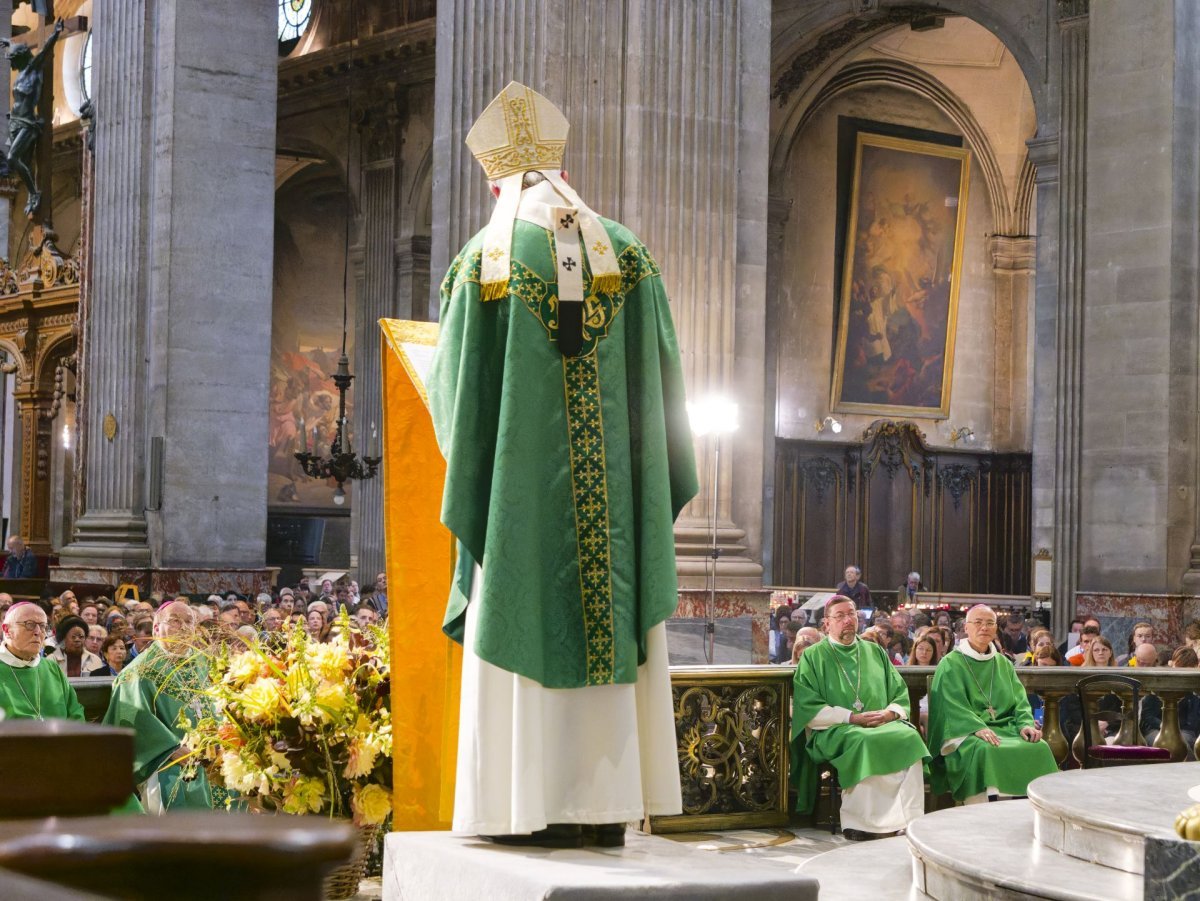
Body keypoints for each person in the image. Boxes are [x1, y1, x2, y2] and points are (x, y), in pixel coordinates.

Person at [427, 82, 697, 848]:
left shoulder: (487, 262)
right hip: (612, 521)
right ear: (560, 170)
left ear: (496, 182)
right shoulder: (630, 256)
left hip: (521, 515)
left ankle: (519, 809)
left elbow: (455, 401)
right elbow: (668, 391)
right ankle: (605, 806)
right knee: (605, 627)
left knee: (515, 605)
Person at [790, 596, 929, 841]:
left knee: (909, 736)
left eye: (852, 614)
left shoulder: (874, 651)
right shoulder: (813, 657)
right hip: (836, 728)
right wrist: (852, 718)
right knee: (863, 741)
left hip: (880, 722)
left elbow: (899, 691)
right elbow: (808, 707)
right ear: (827, 624)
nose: (847, 620)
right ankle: (860, 823)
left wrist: (890, 713)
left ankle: (908, 819)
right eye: (840, 616)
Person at [103, 601, 228, 811]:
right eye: (175, 621)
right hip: (169, 762)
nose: (185, 628)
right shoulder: (137, 673)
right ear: (156, 628)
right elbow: (130, 722)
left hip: (215, 757)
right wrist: (171, 749)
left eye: (189, 622)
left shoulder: (202, 662)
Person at [926, 604, 1058, 804]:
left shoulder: (1003, 663)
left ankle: (1033, 811)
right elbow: (949, 705)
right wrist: (976, 727)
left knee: (1039, 747)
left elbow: (1020, 699)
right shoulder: (951, 663)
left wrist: (1025, 724)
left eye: (989, 623)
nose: (984, 628)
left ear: (996, 629)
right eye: (978, 623)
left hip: (1008, 728)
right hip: (966, 733)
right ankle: (984, 815)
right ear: (966, 628)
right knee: (986, 750)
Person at [0, 602, 85, 720]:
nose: (38, 632)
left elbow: (76, 713)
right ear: (7, 630)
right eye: (29, 624)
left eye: (43, 626)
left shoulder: (52, 669)